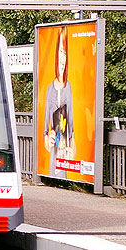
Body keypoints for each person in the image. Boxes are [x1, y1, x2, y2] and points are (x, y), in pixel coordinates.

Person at [43, 26, 75, 177]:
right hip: (54, 152)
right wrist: (47, 140)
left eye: (65, 53)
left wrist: (71, 148)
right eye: (60, 52)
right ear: (56, 54)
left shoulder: (69, 87)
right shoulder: (50, 89)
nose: (63, 59)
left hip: (65, 151)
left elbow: (72, 128)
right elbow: (44, 130)